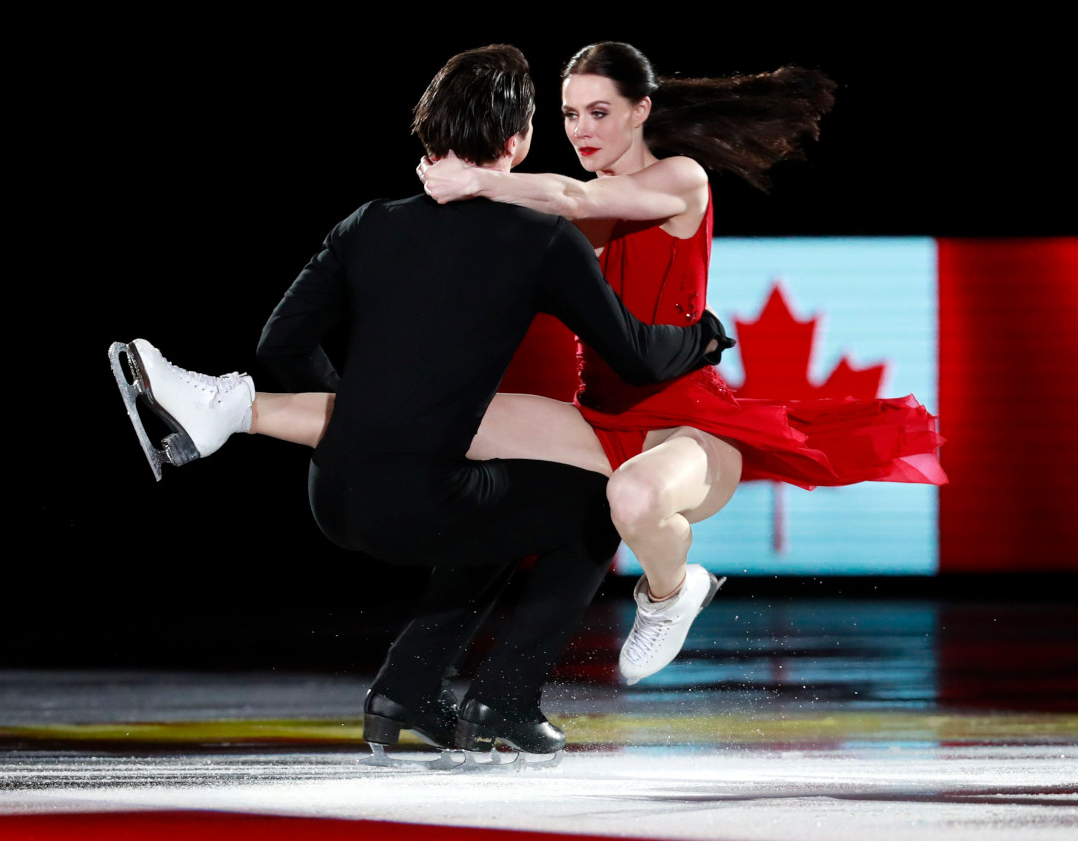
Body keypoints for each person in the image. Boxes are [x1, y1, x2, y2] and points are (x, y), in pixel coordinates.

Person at [110, 44, 733, 764]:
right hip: (423, 500)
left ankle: (405, 688)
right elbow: (633, 353)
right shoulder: (538, 237)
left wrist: (369, 426)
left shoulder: (368, 222)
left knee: (506, 498)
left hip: (333, 498)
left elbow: (281, 344)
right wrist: (705, 339)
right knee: (592, 500)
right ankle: (505, 698)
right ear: (519, 141)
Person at [418, 41, 947, 685]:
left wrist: (479, 180)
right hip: (599, 420)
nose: (582, 130)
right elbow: (528, 234)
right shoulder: (576, 199)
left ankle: (670, 595)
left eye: (599, 112)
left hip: (690, 427)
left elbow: (575, 201)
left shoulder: (679, 178)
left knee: (635, 494)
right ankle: (259, 411)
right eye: (569, 115)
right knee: (443, 418)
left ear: (641, 111)